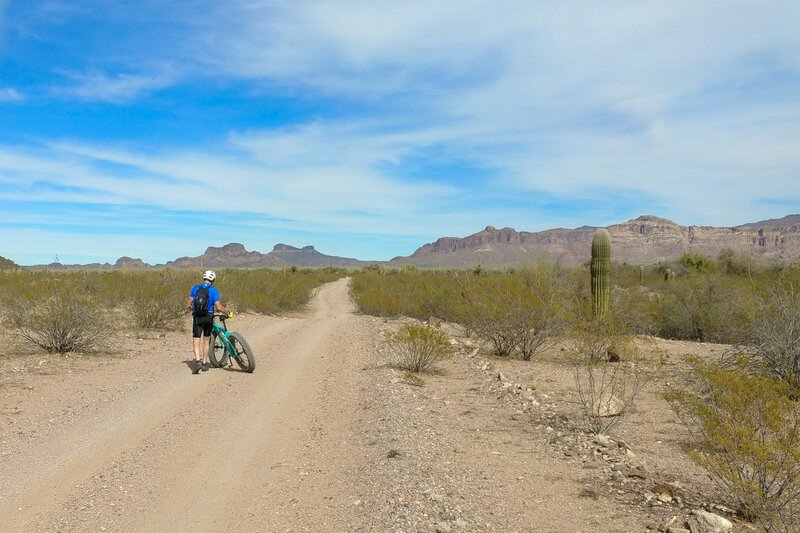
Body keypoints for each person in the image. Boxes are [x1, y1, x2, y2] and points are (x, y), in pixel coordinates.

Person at [186, 270, 230, 374]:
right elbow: (218, 307)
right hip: (208, 316)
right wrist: (227, 313)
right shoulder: (213, 290)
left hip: (197, 317)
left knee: (196, 341)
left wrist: (194, 311)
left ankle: (197, 362)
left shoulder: (195, 288)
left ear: (204, 278)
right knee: (206, 341)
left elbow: (188, 305)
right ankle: (204, 364)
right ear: (213, 280)